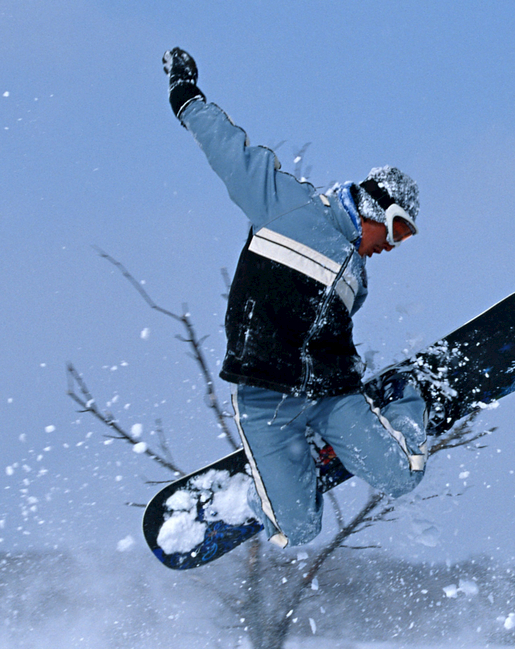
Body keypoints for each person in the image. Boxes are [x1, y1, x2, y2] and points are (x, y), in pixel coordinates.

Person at [162, 48, 427, 548]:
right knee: (299, 531)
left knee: (403, 477)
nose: (394, 244)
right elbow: (228, 149)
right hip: (265, 397)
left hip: (331, 396)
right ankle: (266, 486)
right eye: (398, 229)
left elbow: (327, 335)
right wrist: (186, 96)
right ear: (374, 207)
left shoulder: (359, 277)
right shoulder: (287, 204)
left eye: (406, 238)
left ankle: (404, 398)